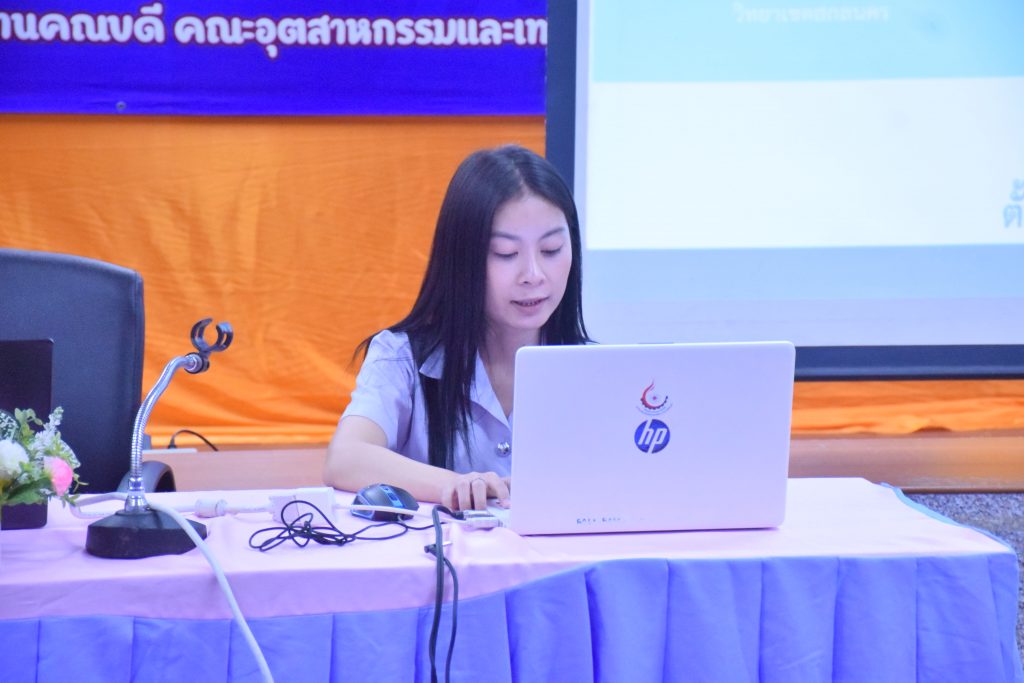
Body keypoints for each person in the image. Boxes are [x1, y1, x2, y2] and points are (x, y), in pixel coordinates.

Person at [323, 145, 590, 510]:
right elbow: (345, 458)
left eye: (552, 249)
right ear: (462, 257)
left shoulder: (595, 369)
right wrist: (455, 484)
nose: (533, 275)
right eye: (506, 253)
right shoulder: (402, 357)